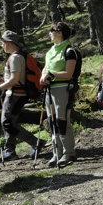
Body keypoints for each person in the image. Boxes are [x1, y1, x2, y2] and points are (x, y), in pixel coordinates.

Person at [0, 30, 43, 160]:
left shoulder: (15, 57)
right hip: (16, 93)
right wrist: (3, 80)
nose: (1, 45)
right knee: (10, 121)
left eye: (2, 42)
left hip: (16, 94)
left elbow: (15, 79)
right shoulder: (19, 56)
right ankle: (10, 151)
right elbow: (16, 78)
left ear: (9, 43)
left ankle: (35, 142)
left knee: (7, 123)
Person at [40, 21, 80, 167]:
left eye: (52, 31)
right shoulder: (50, 51)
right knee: (52, 121)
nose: (50, 33)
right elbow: (45, 69)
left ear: (60, 33)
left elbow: (69, 73)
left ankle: (68, 153)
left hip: (63, 89)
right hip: (49, 90)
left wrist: (51, 74)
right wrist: (43, 76)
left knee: (62, 120)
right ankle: (56, 153)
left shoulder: (69, 51)